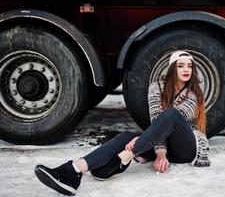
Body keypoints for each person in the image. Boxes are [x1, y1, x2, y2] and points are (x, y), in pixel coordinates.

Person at [34, 50, 211, 196]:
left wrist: (159, 152)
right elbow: (157, 119)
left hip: (186, 147)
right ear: (173, 69)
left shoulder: (194, 93)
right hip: (162, 142)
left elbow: (172, 119)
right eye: (181, 65)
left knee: (171, 114)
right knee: (126, 136)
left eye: (189, 66)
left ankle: (122, 159)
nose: (186, 69)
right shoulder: (156, 87)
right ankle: (74, 170)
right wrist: (155, 148)